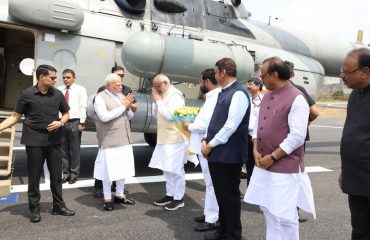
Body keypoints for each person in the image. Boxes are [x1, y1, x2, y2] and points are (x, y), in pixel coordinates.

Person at [244, 57, 316, 240]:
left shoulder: (296, 98)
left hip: (284, 168)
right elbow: (258, 124)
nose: (261, 79)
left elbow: (298, 136)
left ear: (274, 74)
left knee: (284, 215)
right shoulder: (267, 95)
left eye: (263, 75)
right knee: (268, 209)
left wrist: (274, 157)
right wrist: (255, 148)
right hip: (263, 164)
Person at [0, 65, 75, 223]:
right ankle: (34, 209)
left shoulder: (58, 94)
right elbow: (15, 116)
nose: (56, 80)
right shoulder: (26, 94)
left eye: (55, 77)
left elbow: (67, 114)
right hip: (34, 140)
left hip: (54, 140)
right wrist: (0, 127)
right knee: (34, 177)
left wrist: (60, 122)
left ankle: (58, 206)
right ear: (41, 77)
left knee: (56, 175)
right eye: (52, 77)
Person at [201, 58, 250, 240]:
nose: (214, 75)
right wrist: (206, 139)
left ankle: (233, 234)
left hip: (229, 155)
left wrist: (210, 145)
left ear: (222, 72)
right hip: (218, 153)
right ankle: (223, 230)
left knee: (229, 196)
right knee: (222, 196)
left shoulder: (238, 93)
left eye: (215, 72)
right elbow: (215, 121)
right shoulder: (224, 92)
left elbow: (231, 126)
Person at [338, 48, 370, 240]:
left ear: (364, 72)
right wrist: (345, 171)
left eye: (346, 72)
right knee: (359, 229)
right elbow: (352, 134)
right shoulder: (355, 95)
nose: (342, 76)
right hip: (356, 178)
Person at [184, 69, 221, 232]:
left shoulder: (214, 98)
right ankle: (209, 214)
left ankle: (213, 218)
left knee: (212, 184)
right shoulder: (212, 97)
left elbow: (206, 125)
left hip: (207, 146)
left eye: (201, 81)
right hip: (204, 146)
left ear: (207, 81)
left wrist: (189, 126)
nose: (200, 84)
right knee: (210, 183)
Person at [93, 73, 136, 211]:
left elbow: (130, 115)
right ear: (108, 86)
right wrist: (123, 107)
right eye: (116, 84)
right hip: (109, 140)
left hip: (124, 138)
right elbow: (104, 117)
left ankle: (119, 194)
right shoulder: (100, 98)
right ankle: (107, 198)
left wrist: (128, 108)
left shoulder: (121, 96)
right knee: (108, 171)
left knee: (122, 168)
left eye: (120, 83)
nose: (120, 86)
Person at [285, 60, 320, 223]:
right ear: (293, 74)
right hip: (297, 139)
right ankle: (293, 210)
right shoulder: (299, 90)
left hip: (277, 140)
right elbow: (314, 112)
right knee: (294, 174)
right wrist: (306, 122)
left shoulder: (272, 91)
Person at [149, 74, 187, 211]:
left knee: (176, 169)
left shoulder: (175, 95)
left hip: (175, 137)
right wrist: (156, 101)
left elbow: (172, 115)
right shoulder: (163, 94)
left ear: (164, 83)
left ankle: (179, 198)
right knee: (166, 168)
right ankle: (170, 194)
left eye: (157, 86)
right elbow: (156, 114)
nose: (155, 89)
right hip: (164, 137)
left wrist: (159, 101)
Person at [57, 69, 87, 184]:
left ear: (74, 78)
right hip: (61, 122)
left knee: (75, 150)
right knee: (63, 150)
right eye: (64, 77)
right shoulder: (59, 90)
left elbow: (83, 106)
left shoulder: (80, 89)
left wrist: (82, 122)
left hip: (75, 121)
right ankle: (66, 173)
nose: (66, 79)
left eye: (68, 77)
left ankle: (74, 174)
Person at [241, 78, 264, 185]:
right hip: (245, 136)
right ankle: (250, 189)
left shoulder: (263, 101)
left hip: (256, 137)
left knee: (256, 165)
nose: (248, 86)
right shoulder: (247, 100)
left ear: (258, 86)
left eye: (251, 84)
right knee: (248, 165)